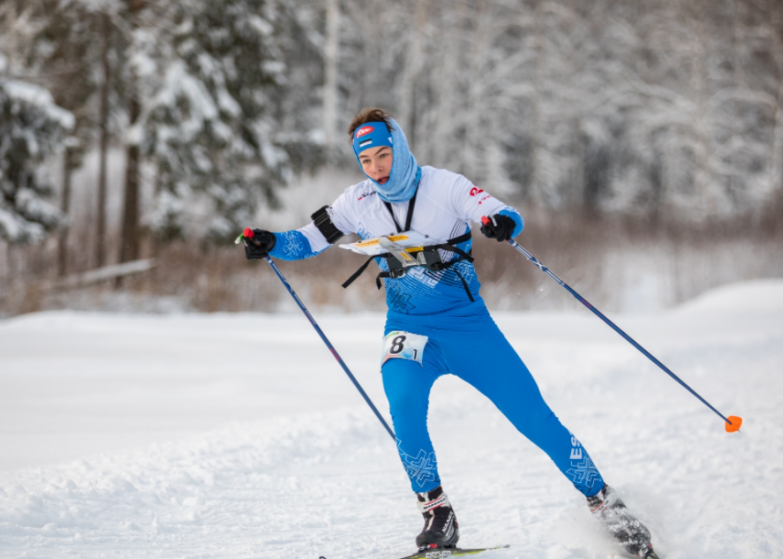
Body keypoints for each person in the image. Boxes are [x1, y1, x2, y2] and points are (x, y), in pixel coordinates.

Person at [241, 108, 658, 559]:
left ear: (399, 148)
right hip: (408, 329)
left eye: (383, 154)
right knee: (403, 408)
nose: (377, 168)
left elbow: (498, 210)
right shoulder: (355, 201)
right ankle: (437, 514)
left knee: (535, 419)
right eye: (366, 161)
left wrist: (501, 223)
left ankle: (606, 505)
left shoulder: (444, 186)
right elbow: (306, 240)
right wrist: (270, 241)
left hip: (468, 329)